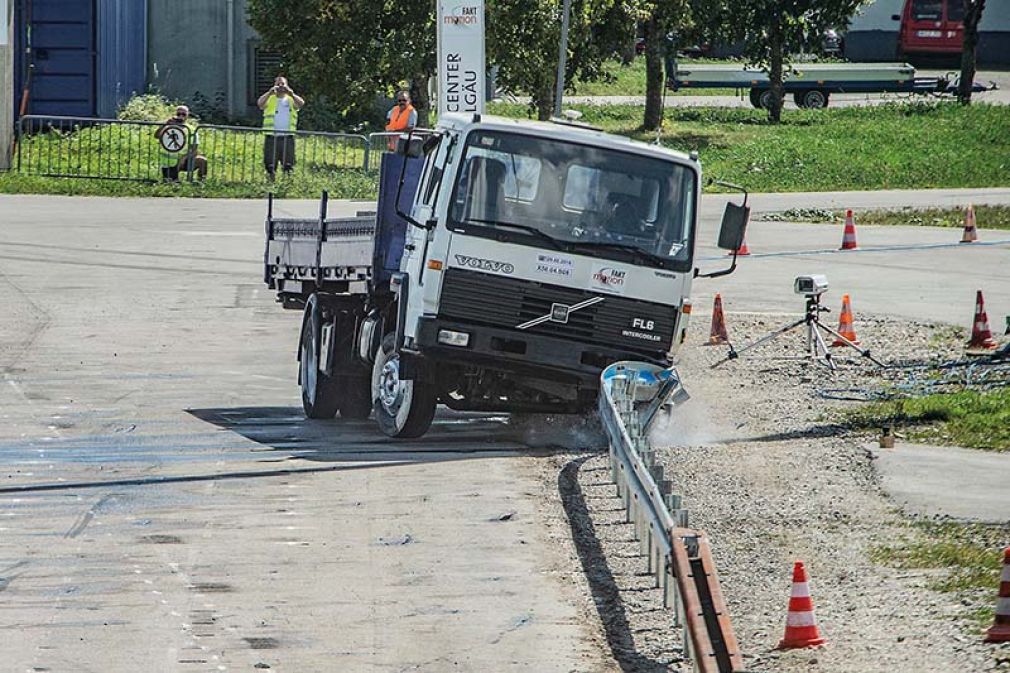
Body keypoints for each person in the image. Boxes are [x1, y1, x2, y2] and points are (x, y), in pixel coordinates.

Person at [257, 76, 305, 180]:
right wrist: (269, 93)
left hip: (287, 137)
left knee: (288, 163)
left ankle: (287, 184)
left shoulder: (291, 99)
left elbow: (301, 104)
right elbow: (260, 104)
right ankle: (270, 183)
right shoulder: (270, 98)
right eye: (278, 84)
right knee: (270, 163)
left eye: (283, 84)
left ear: (287, 85)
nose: (280, 86)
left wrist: (291, 93)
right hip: (271, 136)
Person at [154, 105, 207, 181]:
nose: (181, 116)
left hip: (185, 160)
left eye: (183, 114)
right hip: (169, 162)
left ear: (187, 116)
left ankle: (201, 182)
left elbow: (194, 149)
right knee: (171, 182)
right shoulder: (168, 127)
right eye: (179, 114)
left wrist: (184, 158)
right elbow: (156, 136)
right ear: (175, 115)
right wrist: (165, 124)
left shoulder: (191, 129)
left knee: (202, 160)